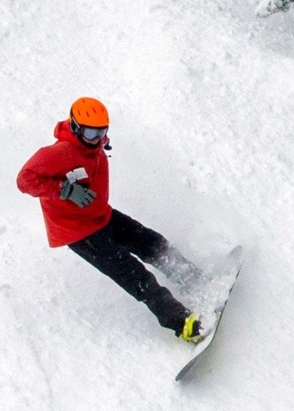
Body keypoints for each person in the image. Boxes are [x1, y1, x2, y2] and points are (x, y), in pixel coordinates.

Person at [16, 97, 209, 343]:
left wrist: (98, 142)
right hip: (79, 232)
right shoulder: (58, 153)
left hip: (100, 216)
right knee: (136, 276)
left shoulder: (93, 144)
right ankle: (183, 323)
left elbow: (96, 143)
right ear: (75, 127)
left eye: (101, 132)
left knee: (150, 242)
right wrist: (65, 190)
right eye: (89, 132)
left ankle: (193, 279)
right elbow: (25, 180)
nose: (96, 138)